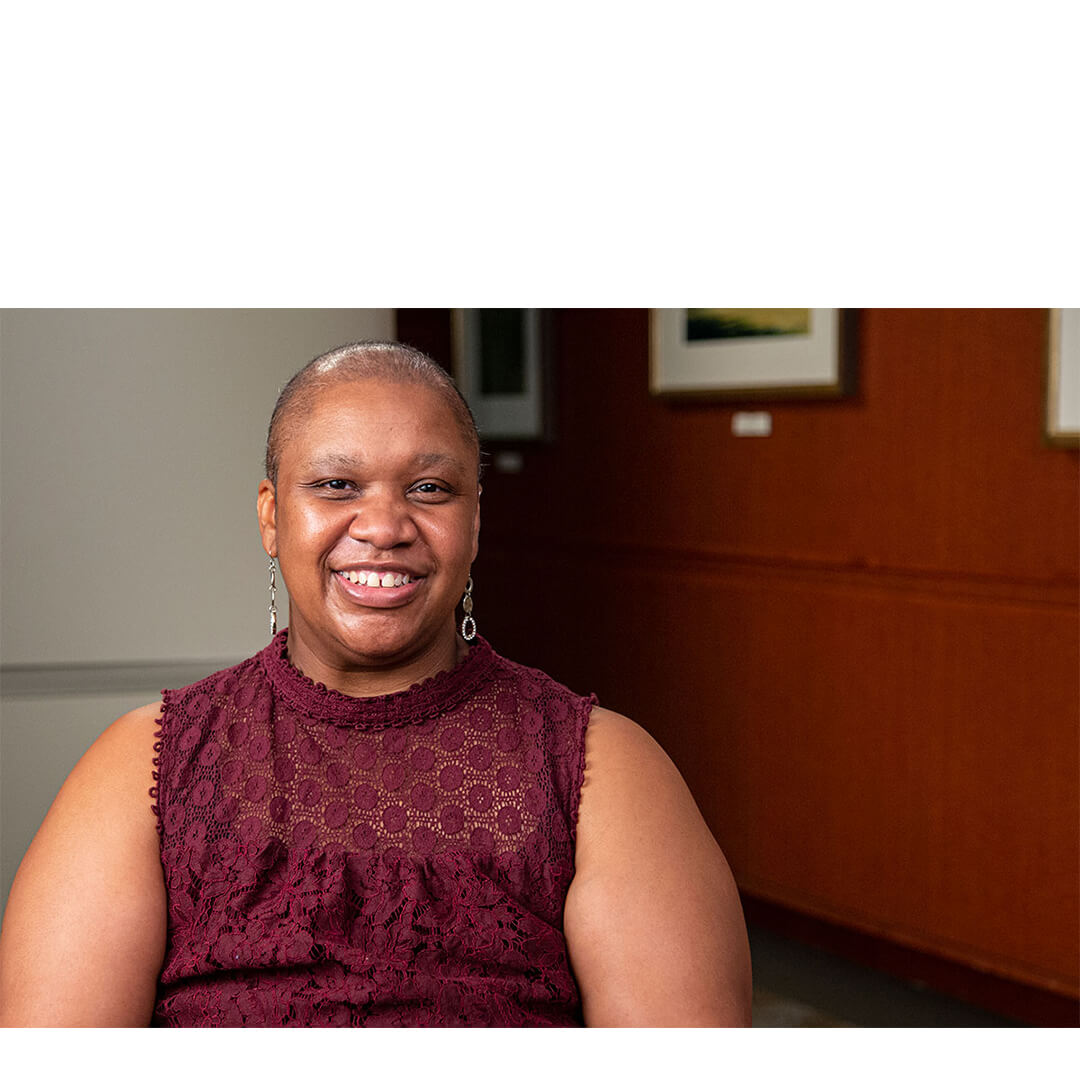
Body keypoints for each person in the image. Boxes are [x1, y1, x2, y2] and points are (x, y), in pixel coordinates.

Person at [0, 342, 752, 1026]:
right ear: (271, 516)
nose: (385, 524)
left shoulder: (600, 770)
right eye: (336, 484)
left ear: (476, 521)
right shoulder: (147, 766)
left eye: (429, 489)